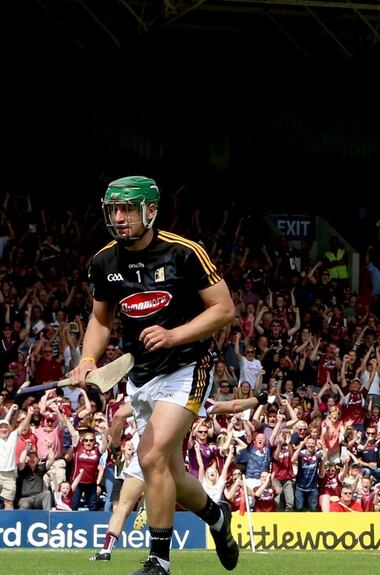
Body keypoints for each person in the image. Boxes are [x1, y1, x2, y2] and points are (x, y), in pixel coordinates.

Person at [68, 176, 238, 575]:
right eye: (114, 210)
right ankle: (217, 518)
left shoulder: (184, 253)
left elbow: (224, 309)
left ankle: (158, 562)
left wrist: (174, 334)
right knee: (169, 474)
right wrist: (89, 359)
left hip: (188, 366)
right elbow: (100, 319)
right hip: (140, 375)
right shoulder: (104, 261)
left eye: (127, 209)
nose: (120, 218)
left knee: (150, 456)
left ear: (150, 210)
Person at [89, 393, 269, 562]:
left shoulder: (147, 394)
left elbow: (120, 414)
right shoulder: (188, 396)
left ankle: (107, 550)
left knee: (125, 505)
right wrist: (257, 400)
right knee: (176, 497)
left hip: (145, 456)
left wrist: (114, 445)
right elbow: (232, 405)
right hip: (169, 459)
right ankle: (214, 519)